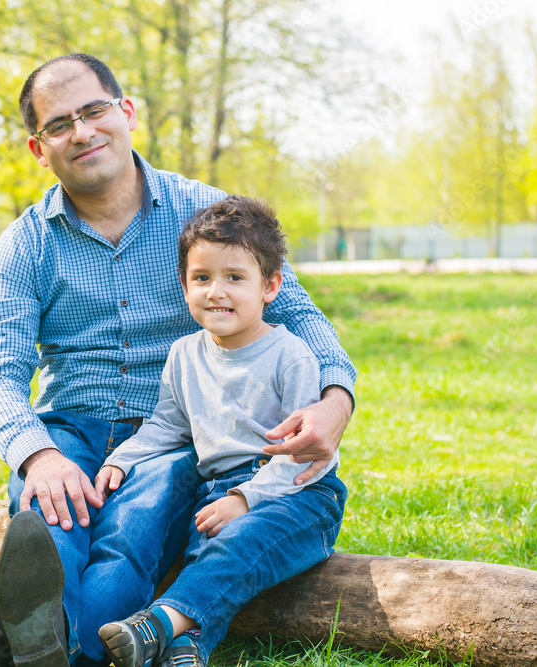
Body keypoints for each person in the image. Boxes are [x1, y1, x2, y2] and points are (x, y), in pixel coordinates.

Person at [0, 53, 356, 667]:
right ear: (38, 148)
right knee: (51, 519)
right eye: (59, 125)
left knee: (130, 534)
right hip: (69, 424)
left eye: (94, 111)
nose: (82, 132)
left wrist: (336, 398)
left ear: (125, 112)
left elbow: (300, 315)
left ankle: (14, 648)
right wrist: (39, 455)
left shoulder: (203, 212)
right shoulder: (23, 246)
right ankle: (40, 643)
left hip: (172, 434)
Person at [94, 195, 347, 667]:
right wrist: (121, 458)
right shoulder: (184, 355)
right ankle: (186, 650)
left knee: (235, 547)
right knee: (206, 559)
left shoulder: (289, 355)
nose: (216, 291)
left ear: (270, 286)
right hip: (218, 491)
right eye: (202, 278)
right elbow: (167, 426)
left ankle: (156, 623)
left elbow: (309, 457)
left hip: (299, 494)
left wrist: (247, 499)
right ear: (185, 284)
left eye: (235, 278)